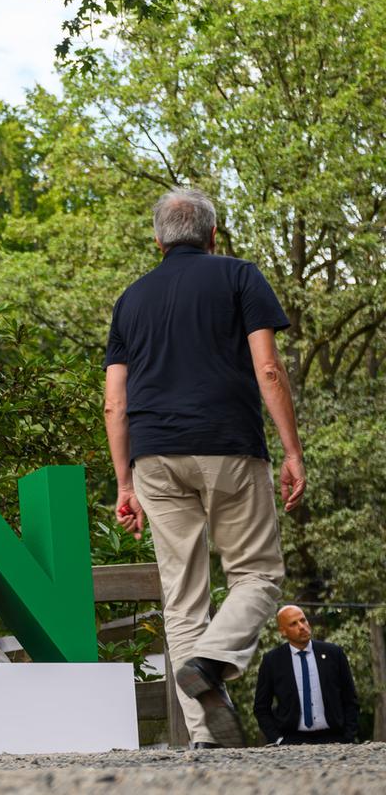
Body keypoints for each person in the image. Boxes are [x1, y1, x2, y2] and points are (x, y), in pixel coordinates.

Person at [104, 188, 304, 749]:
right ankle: (213, 662)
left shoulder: (131, 300)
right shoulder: (240, 276)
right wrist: (292, 451)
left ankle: (205, 735)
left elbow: (114, 401)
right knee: (258, 575)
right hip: (230, 446)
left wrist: (124, 483)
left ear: (157, 240)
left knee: (182, 595)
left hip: (154, 457)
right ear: (213, 235)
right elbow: (267, 369)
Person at [253, 605, 360, 745]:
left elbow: (350, 699)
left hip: (333, 739)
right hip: (291, 741)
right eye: (293, 624)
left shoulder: (333, 654)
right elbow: (261, 708)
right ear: (283, 632)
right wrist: (278, 739)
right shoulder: (272, 661)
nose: (301, 626)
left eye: (303, 620)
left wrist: (348, 737)